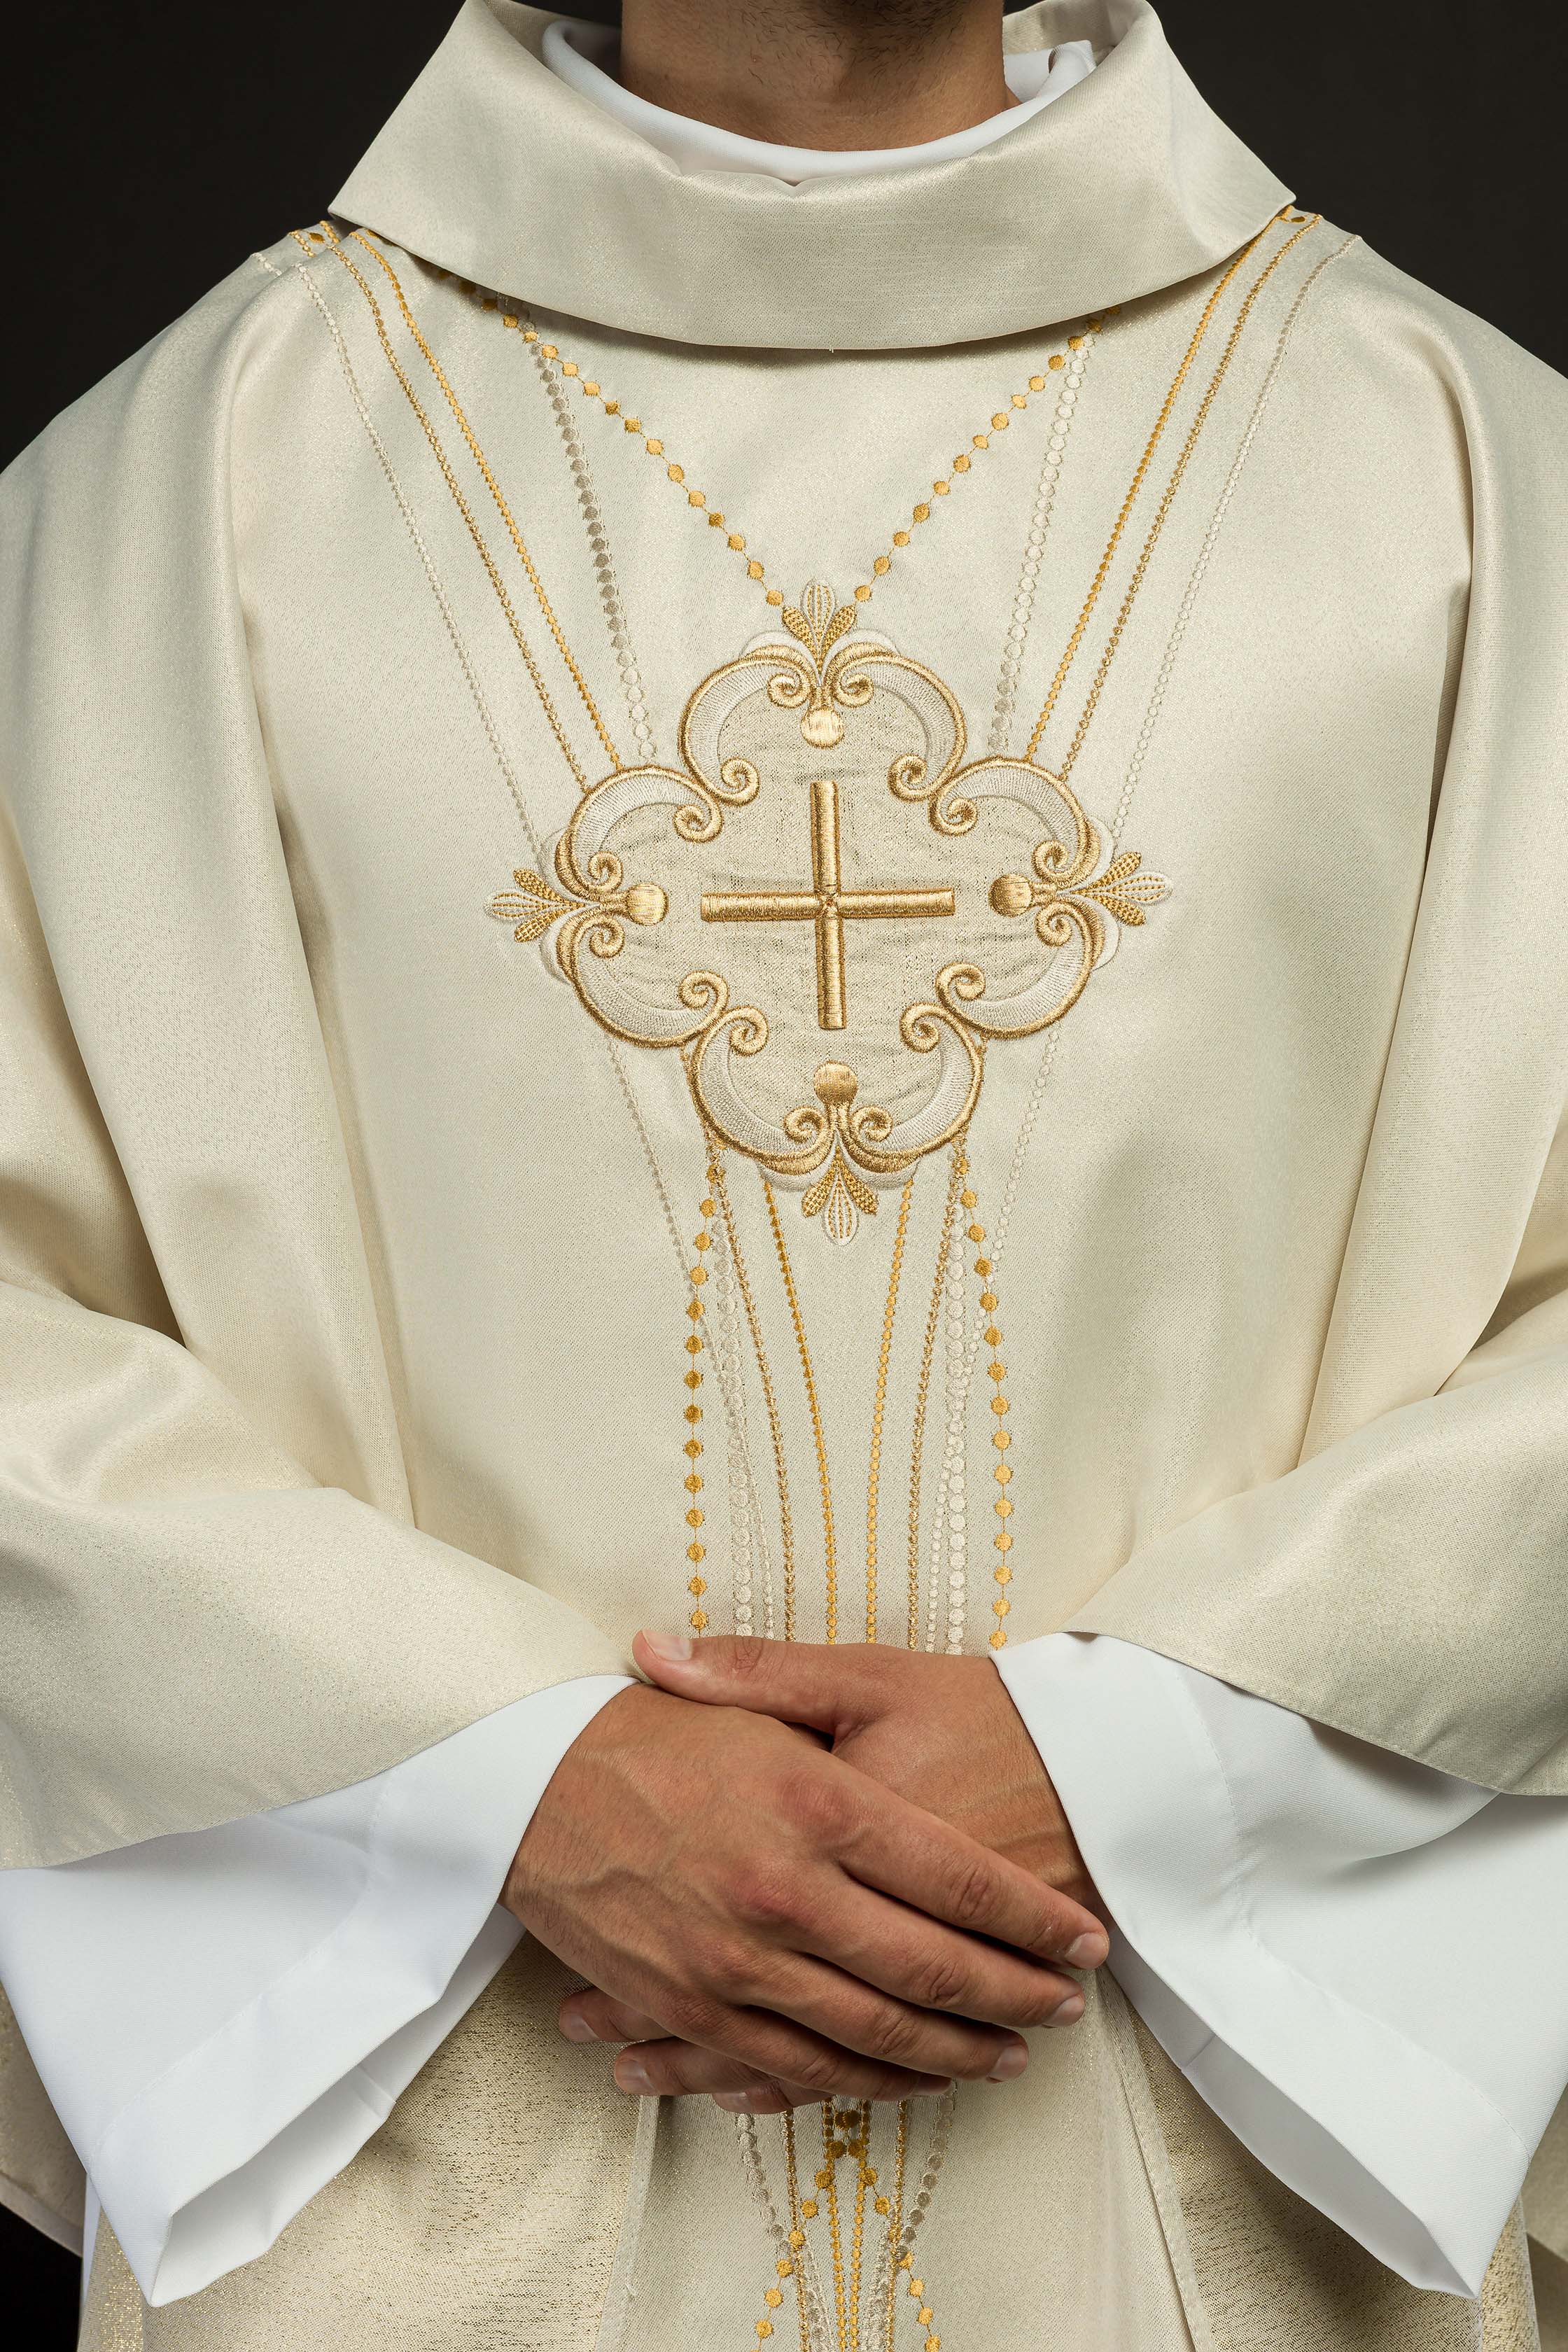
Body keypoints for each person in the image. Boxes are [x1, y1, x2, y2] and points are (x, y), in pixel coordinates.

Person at [2, 1, 1567, 2345]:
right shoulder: (187, 486)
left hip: (1191, 2162)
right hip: (459, 2153)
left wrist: (1151, 1759)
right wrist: (502, 1779)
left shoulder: (1460, 472)